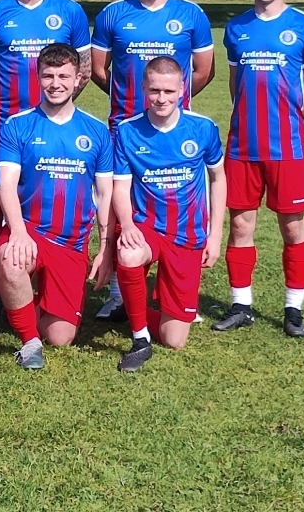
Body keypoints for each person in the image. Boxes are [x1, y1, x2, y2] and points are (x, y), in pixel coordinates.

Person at [90, 0, 214, 321]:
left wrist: (174, 103)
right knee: (116, 206)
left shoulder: (192, 16)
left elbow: (203, 71)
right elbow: (99, 69)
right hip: (123, 130)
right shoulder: (113, 14)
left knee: (173, 202)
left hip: (175, 132)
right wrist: (128, 105)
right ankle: (117, 294)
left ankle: (168, 289)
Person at [0, 0, 91, 321]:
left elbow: (84, 70)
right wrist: (13, 109)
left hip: (56, 126)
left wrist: (54, 104)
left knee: (51, 196)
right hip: (6, 124)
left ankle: (48, 277)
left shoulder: (70, 13)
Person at [214, 0, 304, 338]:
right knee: (240, 225)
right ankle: (240, 303)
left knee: (293, 227)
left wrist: (292, 118)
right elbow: (235, 83)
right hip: (243, 146)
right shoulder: (237, 27)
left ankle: (293, 309)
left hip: (287, 149)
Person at [0, 44, 113, 370]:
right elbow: (6, 184)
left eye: (63, 76)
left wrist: (104, 247)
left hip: (71, 243)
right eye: (48, 75)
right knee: (9, 257)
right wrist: (16, 230)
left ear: (78, 79)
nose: (56, 83)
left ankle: (19, 303)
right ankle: (29, 342)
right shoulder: (17, 125)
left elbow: (104, 194)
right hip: (29, 231)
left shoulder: (97, 132)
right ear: (38, 77)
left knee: (61, 336)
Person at [111, 57, 226, 372]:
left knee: (174, 339)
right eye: (155, 90)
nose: (161, 98)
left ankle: (141, 307)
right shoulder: (127, 131)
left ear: (182, 90)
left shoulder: (202, 128)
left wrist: (215, 236)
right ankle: (139, 338)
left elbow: (218, 178)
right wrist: (128, 224)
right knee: (130, 253)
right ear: (144, 88)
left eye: (169, 91)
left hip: (188, 233)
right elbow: (120, 188)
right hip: (147, 226)